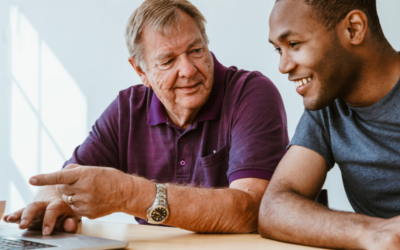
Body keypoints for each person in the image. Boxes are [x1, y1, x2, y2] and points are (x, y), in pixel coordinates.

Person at [3, 0, 288, 235]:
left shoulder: (251, 94)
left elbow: (253, 210)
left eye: (196, 50)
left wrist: (128, 193)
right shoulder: (128, 108)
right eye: (168, 61)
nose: (188, 69)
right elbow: (66, 179)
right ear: (140, 71)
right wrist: (51, 200)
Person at [258, 0, 400, 249]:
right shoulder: (326, 107)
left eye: (294, 44)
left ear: (353, 29)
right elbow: (274, 209)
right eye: (278, 50)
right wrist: (374, 233)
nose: (283, 66)